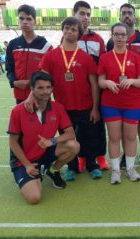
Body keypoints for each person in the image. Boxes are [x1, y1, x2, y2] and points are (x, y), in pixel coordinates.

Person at [38, 17, 102, 181]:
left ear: (79, 34)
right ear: (62, 30)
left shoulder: (86, 58)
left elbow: (94, 84)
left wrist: (95, 107)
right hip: (62, 107)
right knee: (69, 139)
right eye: (67, 28)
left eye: (73, 29)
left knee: (89, 136)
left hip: (85, 106)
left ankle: (92, 164)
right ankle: (72, 168)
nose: (69, 31)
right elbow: (42, 80)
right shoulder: (51, 56)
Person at [8, 71, 79, 204]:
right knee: (34, 198)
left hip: (44, 153)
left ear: (52, 88)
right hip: (24, 160)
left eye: (48, 87)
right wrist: (27, 165)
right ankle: (34, 173)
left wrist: (51, 141)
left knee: (74, 146)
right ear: (32, 89)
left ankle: (52, 171)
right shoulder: (18, 110)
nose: (45, 91)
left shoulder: (57, 107)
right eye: (40, 88)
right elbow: (12, 142)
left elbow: (70, 133)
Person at [98, 23, 140, 184]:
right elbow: (100, 80)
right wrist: (107, 83)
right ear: (112, 35)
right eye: (117, 34)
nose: (120, 37)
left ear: (127, 37)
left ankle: (131, 168)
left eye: (123, 35)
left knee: (131, 137)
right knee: (114, 137)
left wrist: (132, 80)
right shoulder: (105, 58)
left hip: (132, 104)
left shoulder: (135, 57)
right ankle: (116, 170)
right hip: (111, 104)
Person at [107, 3, 140, 169]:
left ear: (134, 17)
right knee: (119, 127)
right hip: (118, 95)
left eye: (130, 13)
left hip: (139, 93)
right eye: (124, 13)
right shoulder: (111, 42)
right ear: (119, 17)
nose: (127, 16)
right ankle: (123, 155)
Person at [73, 0, 108, 171]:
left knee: (98, 126)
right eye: (82, 13)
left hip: (96, 91)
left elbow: (104, 65)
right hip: (77, 92)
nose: (85, 17)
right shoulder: (69, 38)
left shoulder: (98, 39)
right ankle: (82, 157)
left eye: (88, 14)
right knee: (79, 128)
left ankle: (100, 156)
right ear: (74, 15)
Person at [6, 4, 52, 104]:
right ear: (18, 21)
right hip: (20, 94)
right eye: (21, 18)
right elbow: (9, 68)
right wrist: (14, 82)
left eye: (29, 19)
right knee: (23, 119)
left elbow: (48, 73)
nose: (25, 22)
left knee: (42, 120)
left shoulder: (45, 45)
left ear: (34, 21)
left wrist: (33, 82)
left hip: (41, 95)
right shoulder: (12, 45)